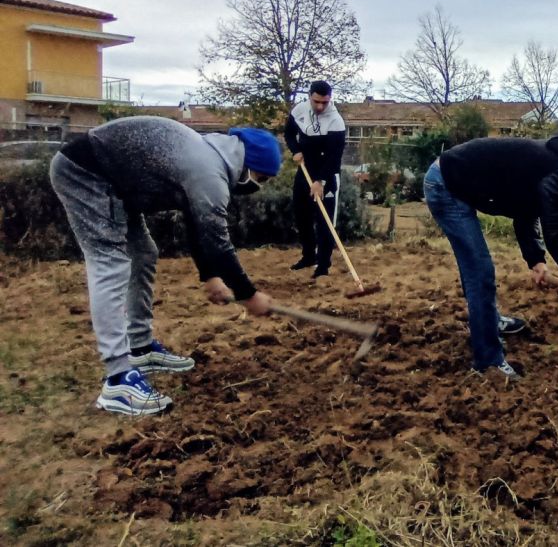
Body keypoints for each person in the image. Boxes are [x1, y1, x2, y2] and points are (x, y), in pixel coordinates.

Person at [49, 116, 279, 416]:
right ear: (250, 164)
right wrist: (248, 295)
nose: (256, 187)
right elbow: (217, 243)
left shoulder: (211, 155)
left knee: (143, 253)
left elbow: (197, 222)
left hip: (114, 181)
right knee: (110, 263)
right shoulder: (209, 172)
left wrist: (209, 276)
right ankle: (118, 380)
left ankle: (141, 349)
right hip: (86, 172)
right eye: (259, 179)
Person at [424, 136, 558, 379]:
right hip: (446, 183)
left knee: (479, 270)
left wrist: (536, 260)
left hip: (454, 178)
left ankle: (489, 322)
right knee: (480, 271)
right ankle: (488, 362)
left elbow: (526, 210)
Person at [284, 80, 347, 278]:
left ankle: (323, 266)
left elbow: (333, 158)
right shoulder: (299, 110)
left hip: (326, 174)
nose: (320, 106)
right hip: (304, 172)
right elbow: (288, 134)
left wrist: (320, 181)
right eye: (316, 102)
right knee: (301, 216)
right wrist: (295, 151)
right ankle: (308, 256)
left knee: (324, 222)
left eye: (325, 103)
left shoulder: (336, 121)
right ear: (310, 96)